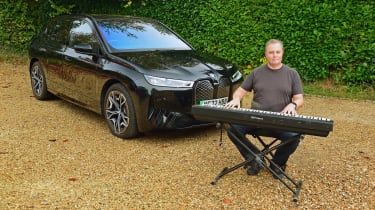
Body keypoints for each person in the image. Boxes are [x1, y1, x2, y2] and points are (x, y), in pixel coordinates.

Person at [224, 39, 304, 178]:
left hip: (281, 122)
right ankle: (254, 158)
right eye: (271, 52)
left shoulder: (292, 74)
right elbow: (240, 92)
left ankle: (277, 163)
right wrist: (236, 98)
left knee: (295, 136)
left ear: (282, 53)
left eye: (277, 52)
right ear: (266, 54)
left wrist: (293, 104)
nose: (274, 55)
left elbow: (299, 98)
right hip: (256, 120)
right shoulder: (256, 73)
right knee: (232, 129)